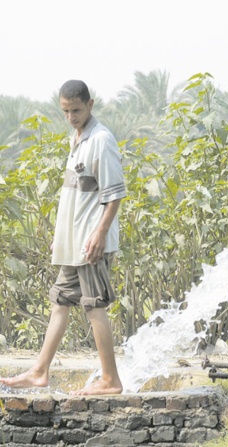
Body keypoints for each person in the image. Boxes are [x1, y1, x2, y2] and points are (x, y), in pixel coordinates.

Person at [0, 80, 125, 395]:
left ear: (90, 104)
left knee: (94, 306)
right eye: (66, 111)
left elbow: (114, 196)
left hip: (91, 244)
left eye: (77, 110)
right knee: (60, 303)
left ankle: (111, 380)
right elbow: (76, 196)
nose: (71, 116)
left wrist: (99, 234)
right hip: (74, 243)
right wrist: (63, 236)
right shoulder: (78, 138)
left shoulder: (101, 139)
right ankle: (40, 371)